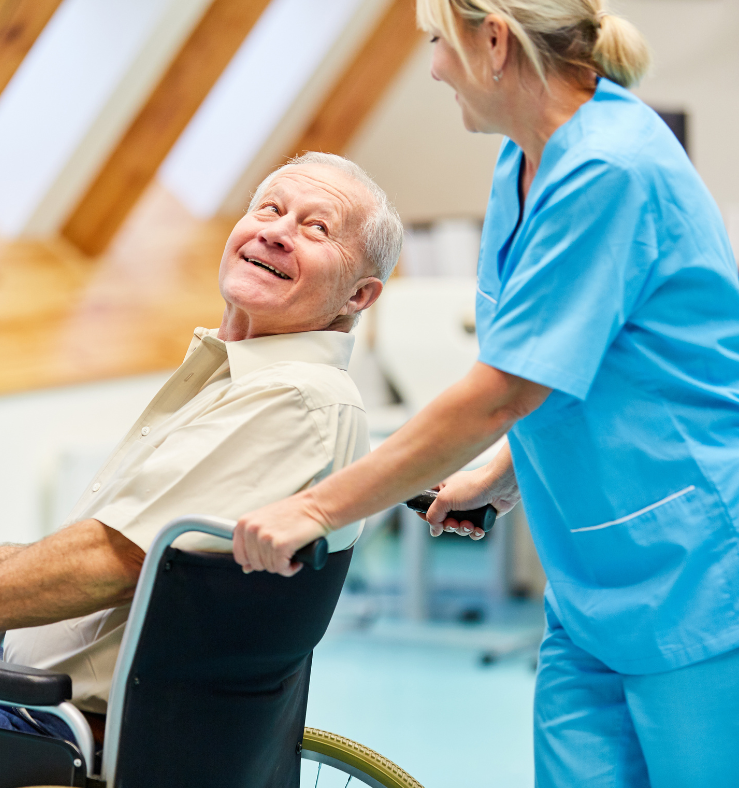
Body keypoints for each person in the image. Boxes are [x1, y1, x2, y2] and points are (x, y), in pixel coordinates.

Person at [231, 3, 739, 787]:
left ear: (493, 42)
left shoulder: (611, 169)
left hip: (698, 576)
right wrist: (503, 468)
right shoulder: (524, 163)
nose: (434, 67)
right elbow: (566, 357)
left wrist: (318, 507)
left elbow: (502, 389)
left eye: (439, 43)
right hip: (592, 579)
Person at [0, 152, 404, 752]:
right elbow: (148, 547)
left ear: (360, 295)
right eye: (270, 209)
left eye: (316, 228)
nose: (275, 232)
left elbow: (118, 556)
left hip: (56, 731)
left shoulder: (296, 400)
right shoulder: (243, 383)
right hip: (31, 697)